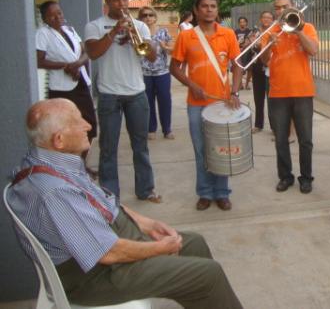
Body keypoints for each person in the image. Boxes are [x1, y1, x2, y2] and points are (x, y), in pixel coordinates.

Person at [7, 99, 242, 309]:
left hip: (107, 245)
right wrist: (160, 248)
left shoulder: (49, 162)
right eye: (78, 122)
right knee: (209, 275)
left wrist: (147, 224)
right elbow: (108, 253)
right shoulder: (54, 191)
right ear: (59, 140)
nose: (88, 126)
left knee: (194, 244)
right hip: (97, 275)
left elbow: (102, 201)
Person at [84, 0, 161, 202]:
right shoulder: (95, 26)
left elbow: (152, 57)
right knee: (108, 147)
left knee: (141, 146)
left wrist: (136, 39)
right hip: (109, 94)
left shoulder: (140, 26)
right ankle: (109, 194)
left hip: (136, 92)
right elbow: (92, 53)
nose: (122, 3)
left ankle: (145, 189)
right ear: (107, 2)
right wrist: (114, 32)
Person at [170, 0, 242, 211]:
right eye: (204, 6)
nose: (209, 9)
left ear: (217, 10)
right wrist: (191, 84)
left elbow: (237, 65)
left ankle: (221, 193)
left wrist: (235, 92)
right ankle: (204, 192)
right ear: (196, 10)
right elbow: (173, 67)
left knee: (221, 149)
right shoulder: (186, 36)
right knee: (201, 150)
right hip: (196, 104)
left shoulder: (228, 34)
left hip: (222, 103)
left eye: (213, 6)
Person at [261, 0, 319, 194]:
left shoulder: (307, 27)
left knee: (305, 139)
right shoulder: (270, 31)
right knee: (280, 140)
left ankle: (306, 178)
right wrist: (270, 43)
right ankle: (285, 177)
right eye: (278, 7)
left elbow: (313, 50)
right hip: (278, 93)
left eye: (285, 6)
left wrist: (298, 31)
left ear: (293, 7)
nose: (281, 10)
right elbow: (264, 61)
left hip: (303, 91)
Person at [35, 0, 98, 176]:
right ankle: (68, 170)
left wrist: (77, 64)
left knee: (90, 125)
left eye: (59, 13)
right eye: (52, 15)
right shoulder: (42, 33)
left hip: (81, 83)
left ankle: (81, 165)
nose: (57, 17)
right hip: (62, 89)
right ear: (45, 18)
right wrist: (65, 66)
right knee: (65, 130)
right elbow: (39, 61)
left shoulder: (70, 30)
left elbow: (87, 52)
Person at [138, 6, 175, 140]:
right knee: (148, 102)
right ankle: (151, 129)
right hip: (145, 73)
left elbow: (172, 49)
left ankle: (167, 129)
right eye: (144, 15)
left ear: (155, 17)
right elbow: (139, 52)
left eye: (150, 15)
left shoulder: (163, 32)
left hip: (162, 73)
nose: (148, 18)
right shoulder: (139, 33)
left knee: (165, 101)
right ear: (140, 18)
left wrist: (166, 47)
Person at [250, 10, 274, 134]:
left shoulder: (275, 31)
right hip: (257, 67)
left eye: (269, 17)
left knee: (271, 99)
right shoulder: (255, 31)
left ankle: (274, 127)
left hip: (270, 68)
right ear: (260, 19)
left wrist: (262, 45)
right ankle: (258, 125)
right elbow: (250, 46)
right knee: (258, 98)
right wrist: (254, 43)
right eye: (264, 17)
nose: (266, 19)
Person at [235, 16, 253, 90]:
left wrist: (244, 47)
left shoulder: (250, 31)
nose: (242, 23)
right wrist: (239, 48)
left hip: (247, 51)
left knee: (249, 68)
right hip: (238, 51)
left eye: (244, 22)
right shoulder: (236, 31)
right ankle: (240, 84)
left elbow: (250, 41)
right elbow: (234, 41)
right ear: (239, 23)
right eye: (241, 22)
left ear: (246, 23)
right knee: (239, 68)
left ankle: (247, 84)